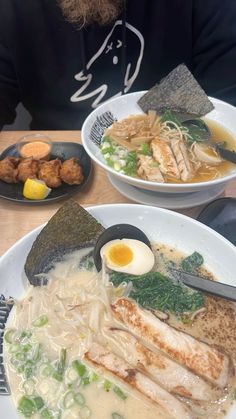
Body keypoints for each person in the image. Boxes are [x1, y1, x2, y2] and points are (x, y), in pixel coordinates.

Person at [0, 0, 236, 130]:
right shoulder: (11, 9)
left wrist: (130, 140)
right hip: (58, 169)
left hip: (176, 158)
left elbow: (225, 106)